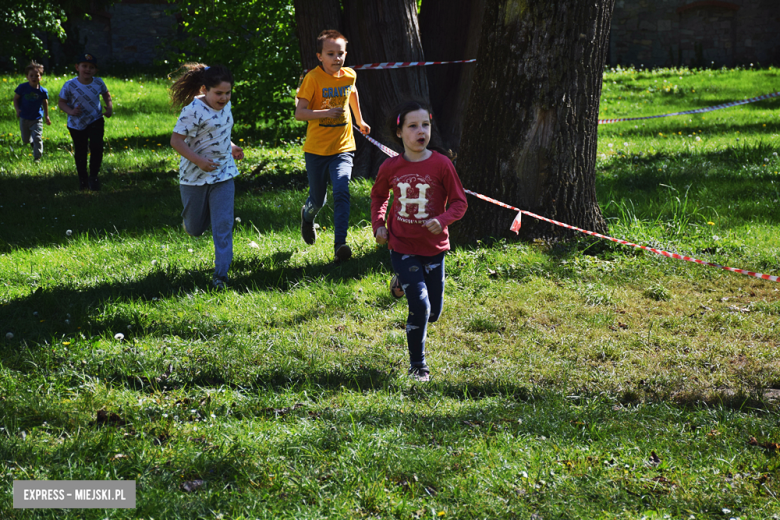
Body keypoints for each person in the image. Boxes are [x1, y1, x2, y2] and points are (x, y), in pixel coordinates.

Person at [371, 101, 468, 382]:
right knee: (421, 306)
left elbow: (460, 202)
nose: (420, 131)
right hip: (401, 246)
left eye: (425, 124)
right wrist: (379, 226)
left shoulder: (442, 164)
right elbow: (379, 196)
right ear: (399, 132)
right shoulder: (391, 166)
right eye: (412, 126)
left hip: (434, 249)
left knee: (434, 312)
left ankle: (399, 282)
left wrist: (444, 219)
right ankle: (418, 366)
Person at [295, 29, 370, 262]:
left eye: (340, 53)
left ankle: (340, 245)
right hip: (316, 150)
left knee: (341, 192)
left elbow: (352, 93)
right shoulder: (312, 79)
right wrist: (326, 112)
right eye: (331, 54)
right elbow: (299, 114)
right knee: (317, 200)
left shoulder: (349, 75)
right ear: (320, 56)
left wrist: (360, 120)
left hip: (343, 148)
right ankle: (307, 218)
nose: (337, 58)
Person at [169, 63, 244, 291]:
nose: (223, 98)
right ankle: (191, 222)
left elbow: (220, 132)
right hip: (194, 177)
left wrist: (231, 146)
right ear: (205, 89)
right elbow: (176, 141)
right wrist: (199, 161)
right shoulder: (193, 110)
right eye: (218, 93)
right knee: (195, 228)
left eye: (227, 93)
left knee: (223, 225)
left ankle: (221, 276)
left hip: (223, 174)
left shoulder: (226, 106)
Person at [58, 53, 113, 191]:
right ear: (77, 67)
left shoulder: (98, 82)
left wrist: (109, 106)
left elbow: (106, 94)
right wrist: (70, 111)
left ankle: (93, 177)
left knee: (97, 147)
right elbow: (61, 102)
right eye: (84, 66)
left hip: (96, 119)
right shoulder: (70, 85)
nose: (88, 69)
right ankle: (83, 180)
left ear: (96, 70)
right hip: (76, 124)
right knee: (81, 150)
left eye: (91, 67)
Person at [13, 61, 51, 162]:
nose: (34, 77)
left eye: (37, 75)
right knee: (25, 139)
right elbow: (15, 99)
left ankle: (37, 157)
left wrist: (47, 116)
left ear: (40, 77)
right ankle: (31, 142)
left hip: (37, 118)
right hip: (24, 117)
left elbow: (45, 103)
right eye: (31, 75)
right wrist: (18, 110)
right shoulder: (22, 88)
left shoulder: (42, 91)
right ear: (27, 76)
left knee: (37, 137)